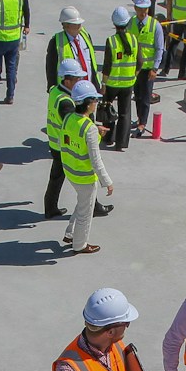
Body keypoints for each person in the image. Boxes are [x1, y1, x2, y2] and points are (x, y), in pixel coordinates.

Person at [58, 81, 114, 255]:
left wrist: (95, 134)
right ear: (88, 103)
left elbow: (73, 142)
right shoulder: (89, 128)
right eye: (95, 101)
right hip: (84, 176)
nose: (96, 104)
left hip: (70, 171)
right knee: (86, 212)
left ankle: (70, 233)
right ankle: (79, 244)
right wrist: (107, 182)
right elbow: (95, 159)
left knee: (82, 203)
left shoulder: (68, 118)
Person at [44, 58, 84, 219]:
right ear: (67, 80)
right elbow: (73, 126)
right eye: (77, 79)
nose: (79, 82)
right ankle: (92, 206)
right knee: (84, 176)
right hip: (65, 146)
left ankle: (50, 207)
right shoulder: (66, 103)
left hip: (55, 143)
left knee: (56, 177)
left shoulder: (55, 91)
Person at [101, 6, 138, 151]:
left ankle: (109, 137)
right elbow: (139, 61)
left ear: (114, 24)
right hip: (128, 83)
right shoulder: (134, 40)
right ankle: (121, 143)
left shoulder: (111, 41)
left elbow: (107, 65)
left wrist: (103, 83)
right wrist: (134, 75)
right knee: (125, 113)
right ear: (128, 23)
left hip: (112, 84)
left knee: (108, 108)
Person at [129, 0, 165, 138]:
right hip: (134, 68)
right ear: (135, 8)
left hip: (148, 69)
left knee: (145, 98)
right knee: (137, 95)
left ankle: (142, 123)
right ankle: (139, 119)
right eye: (140, 9)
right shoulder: (131, 23)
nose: (142, 12)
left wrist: (155, 68)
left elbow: (159, 48)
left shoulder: (155, 26)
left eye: (145, 9)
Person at [45, 7, 96, 89]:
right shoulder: (56, 42)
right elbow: (51, 68)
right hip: (69, 89)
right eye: (75, 24)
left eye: (80, 23)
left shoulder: (86, 36)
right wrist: (52, 88)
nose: (79, 26)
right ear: (66, 26)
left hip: (87, 87)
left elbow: (91, 64)